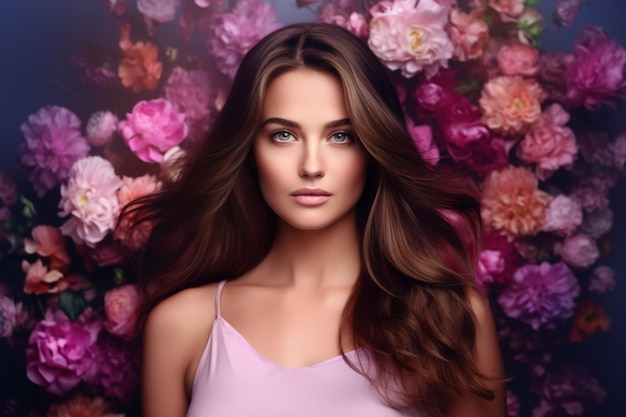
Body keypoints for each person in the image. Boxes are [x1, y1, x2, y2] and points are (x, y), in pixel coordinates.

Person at [127, 22, 506, 417]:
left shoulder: (449, 316)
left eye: (341, 136)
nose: (311, 166)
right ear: (249, 149)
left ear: (374, 148)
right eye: (283, 136)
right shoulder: (180, 325)